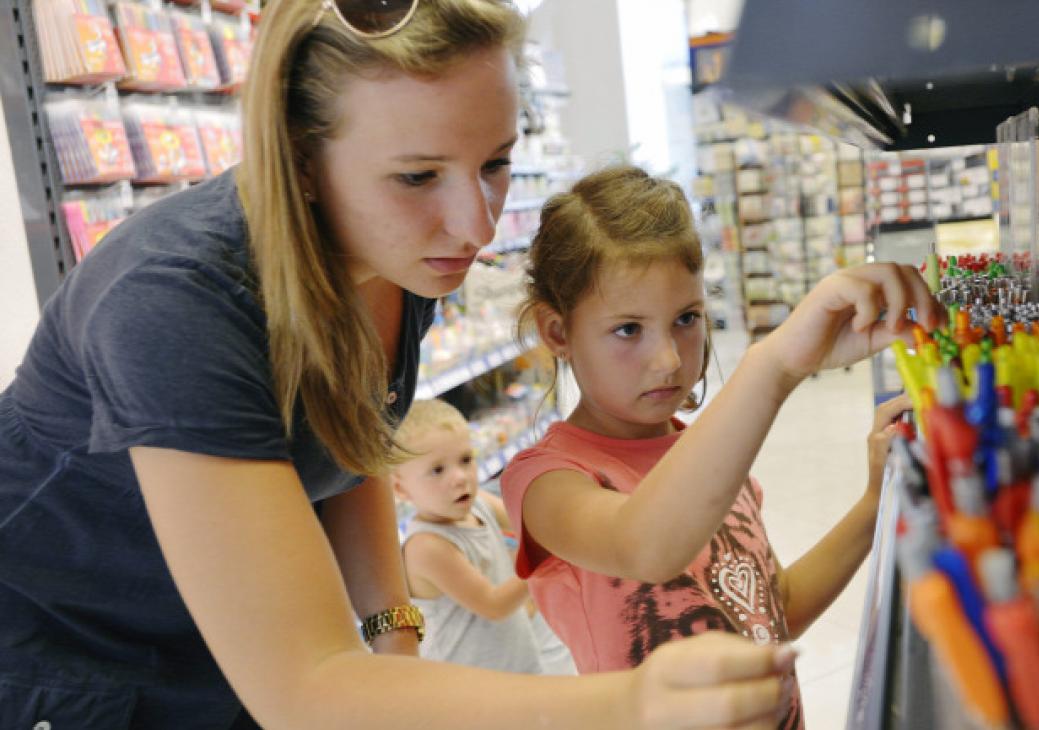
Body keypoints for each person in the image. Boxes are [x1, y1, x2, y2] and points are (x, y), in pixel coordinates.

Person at [0, 0, 908, 727]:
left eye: (496, 163)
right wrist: (624, 705)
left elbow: (350, 436)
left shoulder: (394, 258)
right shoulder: (173, 304)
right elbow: (304, 687)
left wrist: (394, 639)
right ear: (302, 160)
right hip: (64, 662)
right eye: (418, 176)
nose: (475, 227)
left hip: (217, 646)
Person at [500, 166, 936, 729]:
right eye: (629, 329)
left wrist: (875, 501)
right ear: (558, 332)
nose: (668, 360)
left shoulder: (709, 458)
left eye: (686, 319)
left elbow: (771, 610)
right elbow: (642, 544)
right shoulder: (547, 481)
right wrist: (774, 364)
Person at [392, 398, 557, 674]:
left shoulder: (479, 503)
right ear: (401, 489)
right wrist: (544, 555)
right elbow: (493, 604)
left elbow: (528, 524)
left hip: (516, 660)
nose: (460, 477)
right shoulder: (427, 546)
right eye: (437, 470)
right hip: (472, 681)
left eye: (466, 460)